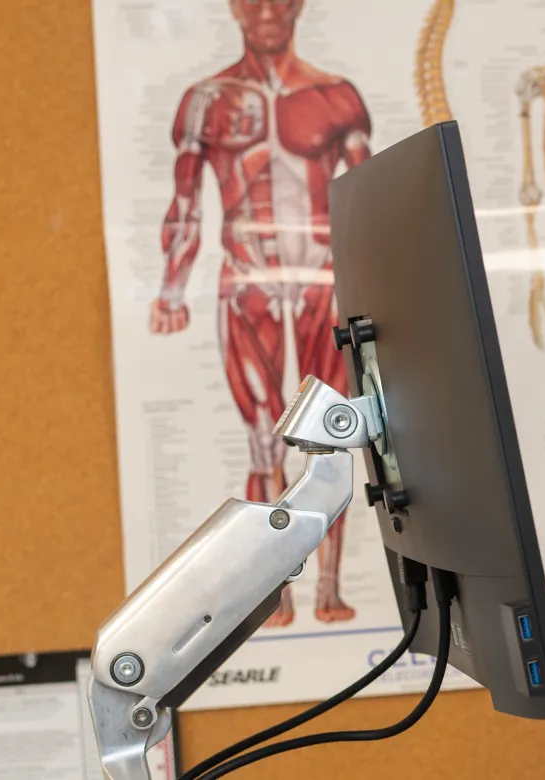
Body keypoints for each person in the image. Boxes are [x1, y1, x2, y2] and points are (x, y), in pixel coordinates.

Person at [151, 0, 372, 627]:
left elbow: (371, 200)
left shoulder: (335, 96)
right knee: (260, 445)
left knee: (329, 446)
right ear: (234, 9)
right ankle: (275, 590)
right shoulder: (206, 100)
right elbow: (186, 202)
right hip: (245, 281)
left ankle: (328, 587)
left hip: (322, 280)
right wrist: (171, 291)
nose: (268, 10)